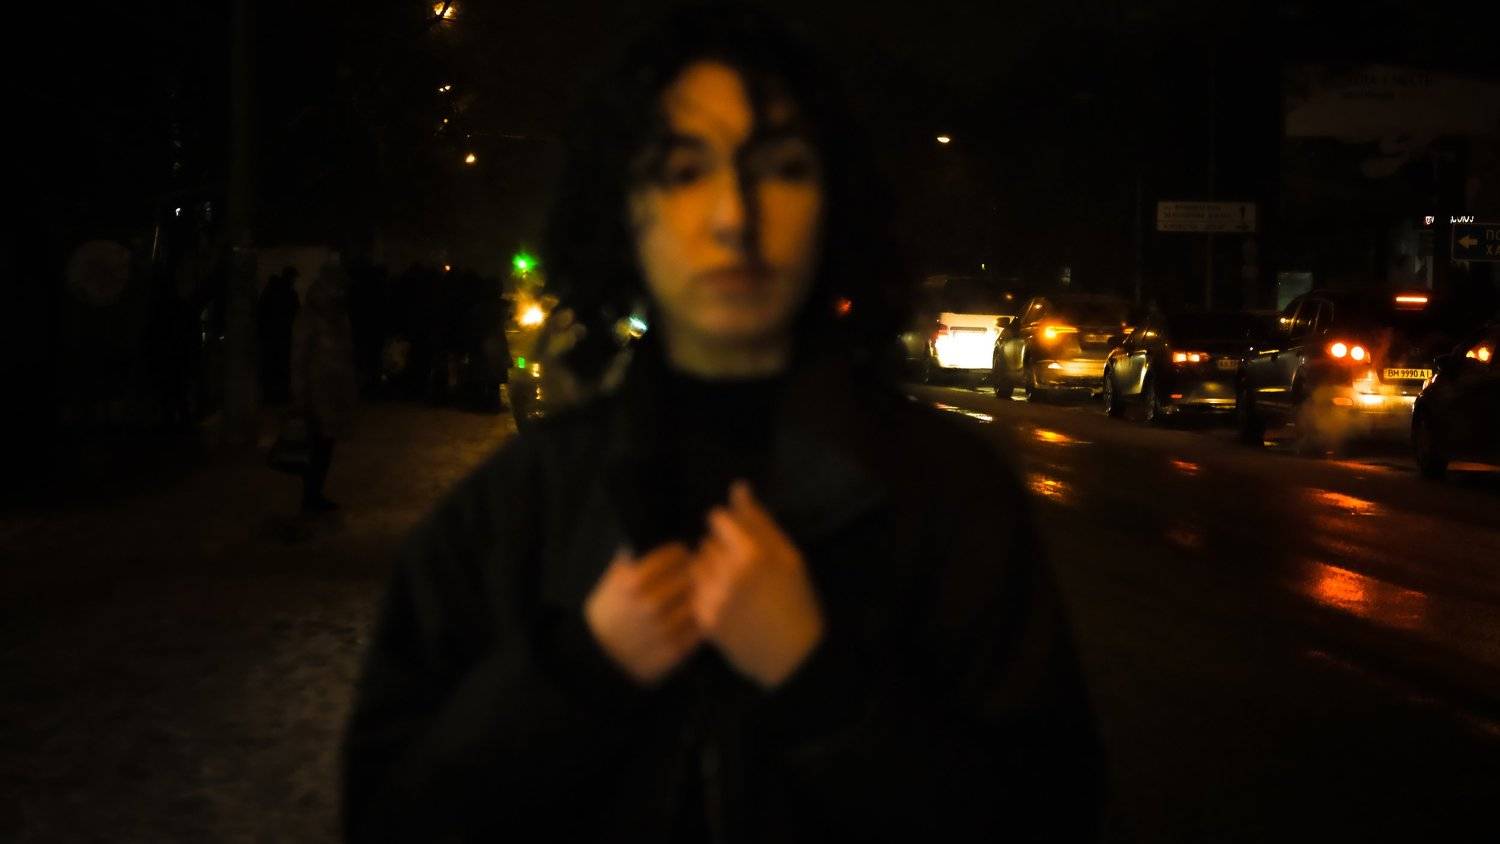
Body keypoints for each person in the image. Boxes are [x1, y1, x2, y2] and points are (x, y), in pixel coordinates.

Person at [342, 7, 1102, 842]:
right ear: (622, 208)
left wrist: (820, 689)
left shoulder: (952, 500)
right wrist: (578, 674)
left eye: (781, 169)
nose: (734, 215)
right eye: (683, 170)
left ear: (834, 201)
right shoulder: (512, 511)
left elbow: (1051, 813)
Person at [289, 258, 357, 514]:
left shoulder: (337, 314)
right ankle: (310, 497)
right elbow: (299, 358)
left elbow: (344, 353)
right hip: (316, 392)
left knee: (325, 446)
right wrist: (300, 396)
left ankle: (314, 494)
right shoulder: (312, 315)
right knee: (316, 447)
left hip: (332, 390)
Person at [257, 266, 300, 405]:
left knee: (270, 367)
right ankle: (281, 396)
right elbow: (297, 315)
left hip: (269, 337)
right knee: (281, 367)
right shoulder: (290, 294)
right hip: (283, 336)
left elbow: (261, 313)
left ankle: (270, 397)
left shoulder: (269, 292)